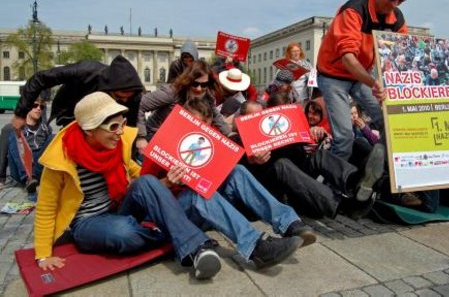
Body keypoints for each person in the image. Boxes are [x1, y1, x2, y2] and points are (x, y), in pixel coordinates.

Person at [34, 92, 222, 280]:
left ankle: (193, 245)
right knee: (124, 232)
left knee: (146, 182)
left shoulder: (115, 145)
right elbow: (46, 208)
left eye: (122, 124)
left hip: (118, 209)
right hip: (87, 222)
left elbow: (141, 179)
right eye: (113, 126)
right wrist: (43, 255)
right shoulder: (61, 159)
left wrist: (166, 181)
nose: (121, 132)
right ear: (90, 129)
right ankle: (182, 233)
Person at [141, 97, 316, 269]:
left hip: (208, 209)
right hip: (176, 213)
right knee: (198, 193)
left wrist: (253, 160)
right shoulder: (163, 142)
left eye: (205, 128)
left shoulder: (210, 140)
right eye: (194, 125)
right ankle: (256, 248)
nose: (199, 132)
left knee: (236, 171)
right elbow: (144, 192)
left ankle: (288, 223)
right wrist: (166, 183)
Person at [233, 100, 385, 219]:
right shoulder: (236, 141)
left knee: (317, 156)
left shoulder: (271, 131)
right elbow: (236, 175)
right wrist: (252, 160)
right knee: (281, 165)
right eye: (251, 118)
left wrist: (309, 135)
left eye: (260, 116)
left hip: (296, 184)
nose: (256, 120)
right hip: (270, 191)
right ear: (241, 119)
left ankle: (354, 180)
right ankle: (344, 206)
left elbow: (299, 157)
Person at [316, 0, 410, 160]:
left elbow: (401, 55)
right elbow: (348, 59)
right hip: (333, 75)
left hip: (362, 76)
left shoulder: (397, 19)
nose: (395, 4)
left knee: (390, 123)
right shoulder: (353, 10)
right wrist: (375, 83)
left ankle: (380, 167)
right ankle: (331, 184)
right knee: (344, 137)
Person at [12, 55, 144, 131]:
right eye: (119, 98)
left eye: (128, 98)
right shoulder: (84, 71)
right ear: (109, 88)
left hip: (101, 119)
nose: (124, 101)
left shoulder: (133, 94)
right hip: (71, 113)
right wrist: (21, 114)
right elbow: (40, 78)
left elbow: (130, 129)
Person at [136, 60, 229, 154]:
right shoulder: (171, 93)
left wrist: (230, 135)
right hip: (155, 137)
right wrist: (141, 137)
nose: (199, 89)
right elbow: (139, 104)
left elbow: (217, 117)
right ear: (188, 81)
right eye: (195, 84)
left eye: (204, 85)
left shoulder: (207, 96)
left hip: (180, 140)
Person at [0, 99, 53, 193]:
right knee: (14, 133)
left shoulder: (46, 128)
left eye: (41, 107)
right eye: (35, 105)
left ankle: (36, 179)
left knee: (53, 138)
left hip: (38, 167)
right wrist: (1, 178)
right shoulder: (10, 128)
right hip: (20, 167)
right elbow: (2, 154)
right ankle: (28, 178)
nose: (38, 109)